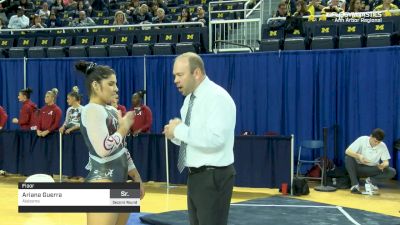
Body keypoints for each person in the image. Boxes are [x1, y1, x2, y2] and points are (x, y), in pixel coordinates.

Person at [163, 53, 236, 225]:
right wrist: (173, 134)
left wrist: (179, 130)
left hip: (213, 176)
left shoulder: (217, 97)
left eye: (180, 75)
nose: (175, 80)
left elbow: (215, 139)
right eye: (174, 75)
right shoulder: (189, 100)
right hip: (195, 175)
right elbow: (192, 139)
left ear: (196, 73)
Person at [75, 60, 144, 225]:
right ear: (96, 86)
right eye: (111, 84)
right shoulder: (91, 110)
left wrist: (136, 177)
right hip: (103, 180)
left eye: (116, 84)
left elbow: (122, 149)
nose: (116, 88)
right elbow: (104, 149)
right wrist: (124, 128)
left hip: (121, 181)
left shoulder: (112, 110)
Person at [345, 128, 397, 194]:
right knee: (348, 158)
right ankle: (355, 185)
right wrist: (359, 156)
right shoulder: (362, 139)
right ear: (371, 136)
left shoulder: (382, 145)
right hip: (358, 168)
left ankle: (370, 181)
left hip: (372, 169)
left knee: (392, 171)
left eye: (379, 142)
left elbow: (386, 161)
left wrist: (384, 164)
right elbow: (347, 151)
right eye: (375, 141)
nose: (377, 143)